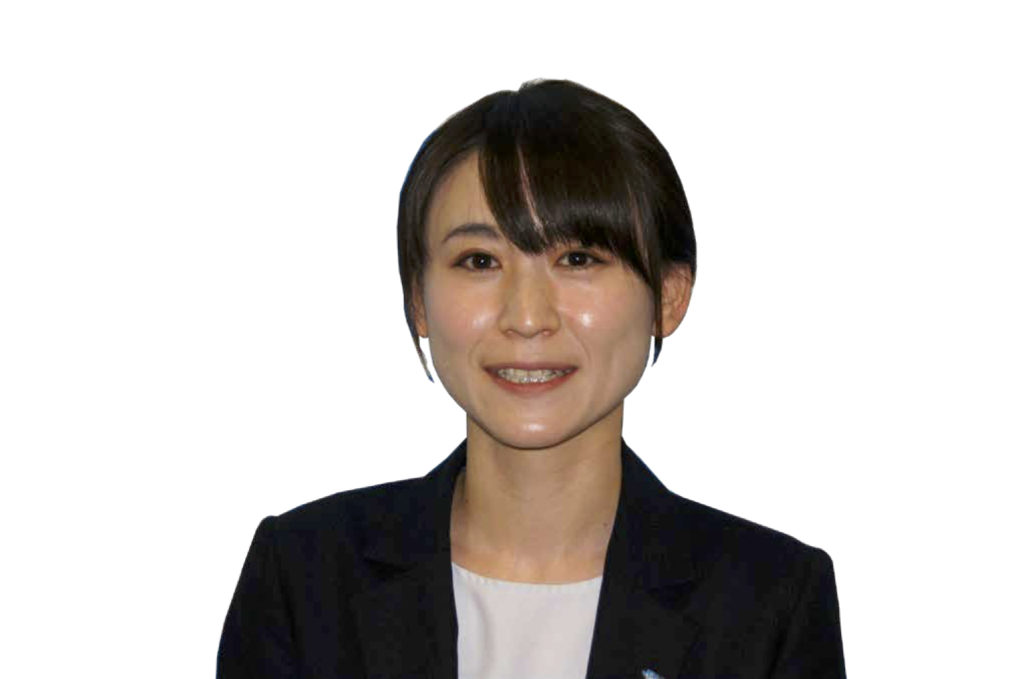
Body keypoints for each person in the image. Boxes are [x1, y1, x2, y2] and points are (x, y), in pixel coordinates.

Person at [217, 78, 846, 679]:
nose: (526, 316)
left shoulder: (770, 602)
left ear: (669, 296)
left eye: (578, 258)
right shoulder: (304, 579)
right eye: (479, 261)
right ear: (418, 299)